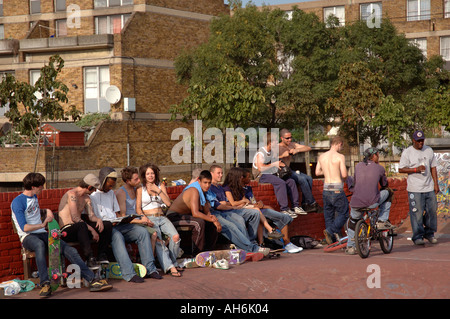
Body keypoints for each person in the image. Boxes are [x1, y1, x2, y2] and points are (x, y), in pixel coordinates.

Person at [11, 173, 112, 297]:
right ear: (33, 187)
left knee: (70, 250)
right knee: (39, 245)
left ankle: (93, 280)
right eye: (41, 186)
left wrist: (47, 211)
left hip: (42, 234)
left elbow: (33, 212)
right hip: (28, 237)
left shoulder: (34, 197)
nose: (43, 188)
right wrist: (42, 225)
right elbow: (24, 227)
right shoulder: (17, 202)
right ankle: (45, 284)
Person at [90, 167, 161, 283]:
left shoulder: (111, 194)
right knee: (117, 236)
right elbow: (92, 217)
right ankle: (129, 273)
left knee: (142, 232)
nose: (111, 188)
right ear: (103, 181)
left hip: (117, 224)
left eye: (112, 185)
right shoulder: (93, 196)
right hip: (106, 228)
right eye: (109, 185)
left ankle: (150, 269)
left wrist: (124, 219)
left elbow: (117, 214)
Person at [224, 167, 303, 254]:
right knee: (263, 214)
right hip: (247, 211)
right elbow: (235, 203)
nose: (250, 179)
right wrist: (250, 204)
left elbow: (252, 201)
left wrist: (260, 204)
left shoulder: (246, 188)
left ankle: (286, 243)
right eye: (247, 177)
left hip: (255, 209)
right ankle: (281, 241)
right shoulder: (229, 188)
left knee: (283, 216)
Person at [206, 166, 270, 256]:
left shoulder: (220, 187)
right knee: (238, 221)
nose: (221, 175)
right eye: (218, 173)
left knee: (255, 213)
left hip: (228, 210)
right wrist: (229, 205)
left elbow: (227, 203)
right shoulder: (208, 188)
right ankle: (250, 248)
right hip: (221, 212)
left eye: (221, 173)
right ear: (211, 174)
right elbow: (219, 206)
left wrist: (227, 204)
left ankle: (250, 242)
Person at [135, 163, 182, 277]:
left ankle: (171, 262)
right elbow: (138, 208)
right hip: (149, 217)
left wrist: (158, 190)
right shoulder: (141, 188)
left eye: (152, 173)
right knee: (159, 241)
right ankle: (171, 267)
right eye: (148, 174)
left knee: (175, 237)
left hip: (161, 217)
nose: (151, 176)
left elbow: (168, 204)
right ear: (144, 175)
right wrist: (144, 217)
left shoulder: (160, 186)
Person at [346, 147, 394, 255]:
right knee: (388, 193)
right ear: (374, 156)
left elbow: (354, 183)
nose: (379, 157)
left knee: (353, 221)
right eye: (378, 155)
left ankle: (350, 246)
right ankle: (382, 220)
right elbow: (384, 184)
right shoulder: (380, 168)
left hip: (356, 202)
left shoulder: (358, 166)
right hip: (372, 201)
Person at [58, 174, 112, 268]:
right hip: (67, 230)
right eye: (94, 189)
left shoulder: (86, 198)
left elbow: (91, 216)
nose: (95, 191)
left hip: (80, 229)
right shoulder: (72, 195)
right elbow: (75, 218)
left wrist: (98, 220)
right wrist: (91, 229)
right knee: (81, 225)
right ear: (89, 187)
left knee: (107, 224)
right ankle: (90, 258)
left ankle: (101, 254)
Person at [166, 170, 221, 255]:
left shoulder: (203, 192)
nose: (207, 185)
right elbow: (195, 213)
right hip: (174, 217)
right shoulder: (194, 190)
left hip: (186, 216)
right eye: (205, 182)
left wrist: (215, 221)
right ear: (199, 181)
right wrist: (212, 220)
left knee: (211, 225)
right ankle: (196, 254)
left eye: (209, 183)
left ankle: (208, 252)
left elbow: (207, 212)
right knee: (198, 223)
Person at [399, 130, 439, 245]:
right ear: (413, 140)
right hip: (414, 188)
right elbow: (401, 169)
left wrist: (436, 184)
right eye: (418, 141)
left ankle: (429, 233)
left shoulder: (429, 150)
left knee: (432, 210)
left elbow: (433, 168)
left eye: (422, 141)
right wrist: (415, 169)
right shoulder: (407, 152)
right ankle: (417, 236)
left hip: (429, 187)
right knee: (417, 212)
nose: (420, 143)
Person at [252, 132, 304, 217]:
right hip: (261, 175)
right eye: (275, 141)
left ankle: (296, 206)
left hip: (271, 174)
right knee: (280, 182)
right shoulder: (261, 153)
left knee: (290, 181)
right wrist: (274, 164)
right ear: (270, 142)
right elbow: (261, 168)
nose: (277, 142)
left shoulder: (272, 152)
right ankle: (284, 209)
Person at [115, 166, 157, 254]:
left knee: (161, 232)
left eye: (138, 178)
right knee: (152, 234)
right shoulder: (122, 193)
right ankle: (150, 263)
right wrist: (141, 221)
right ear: (127, 181)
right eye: (136, 179)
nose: (139, 181)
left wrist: (144, 218)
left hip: (140, 219)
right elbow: (123, 217)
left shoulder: (136, 189)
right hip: (129, 223)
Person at [315, 136, 349, 244]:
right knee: (344, 213)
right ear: (339, 144)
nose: (341, 148)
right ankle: (330, 231)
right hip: (337, 188)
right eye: (341, 146)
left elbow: (317, 173)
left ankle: (331, 240)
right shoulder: (340, 157)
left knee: (328, 215)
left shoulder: (322, 156)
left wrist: (327, 171)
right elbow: (344, 174)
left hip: (326, 189)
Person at [279, 128, 319, 213]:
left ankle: (305, 203)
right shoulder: (278, 147)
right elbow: (274, 158)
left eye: (290, 137)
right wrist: (284, 154)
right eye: (287, 138)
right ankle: (311, 202)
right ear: (281, 138)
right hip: (282, 172)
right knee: (302, 179)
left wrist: (297, 150)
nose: (289, 139)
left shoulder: (292, 144)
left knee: (309, 178)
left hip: (289, 170)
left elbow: (308, 148)